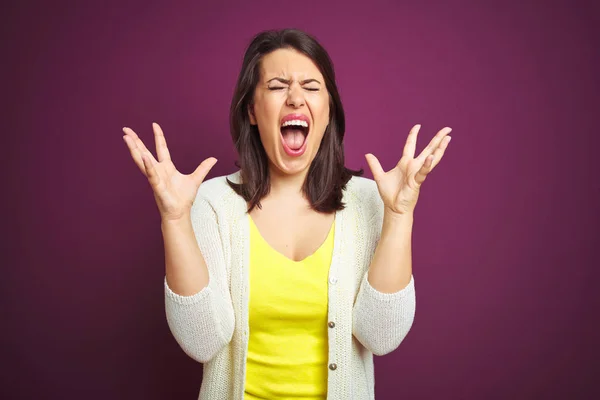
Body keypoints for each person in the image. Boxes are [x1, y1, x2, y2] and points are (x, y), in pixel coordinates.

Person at [122, 28, 452, 400]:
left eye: (311, 87)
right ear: (251, 110)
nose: (296, 98)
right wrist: (175, 220)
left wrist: (399, 214)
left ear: (328, 112)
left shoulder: (370, 201)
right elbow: (202, 341)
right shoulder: (210, 203)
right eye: (278, 86)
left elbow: (382, 335)